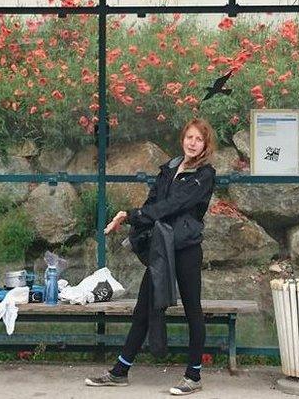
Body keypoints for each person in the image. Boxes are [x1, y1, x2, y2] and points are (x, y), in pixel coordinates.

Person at [85, 118, 217, 396]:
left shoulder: (204, 174)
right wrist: (131, 219)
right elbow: (153, 203)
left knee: (193, 310)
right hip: (162, 248)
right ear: (183, 139)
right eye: (189, 137)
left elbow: (174, 205)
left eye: (198, 140)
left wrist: (131, 215)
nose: (193, 143)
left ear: (205, 145)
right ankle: (120, 372)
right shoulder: (169, 168)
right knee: (143, 308)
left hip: (187, 249)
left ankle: (193, 376)